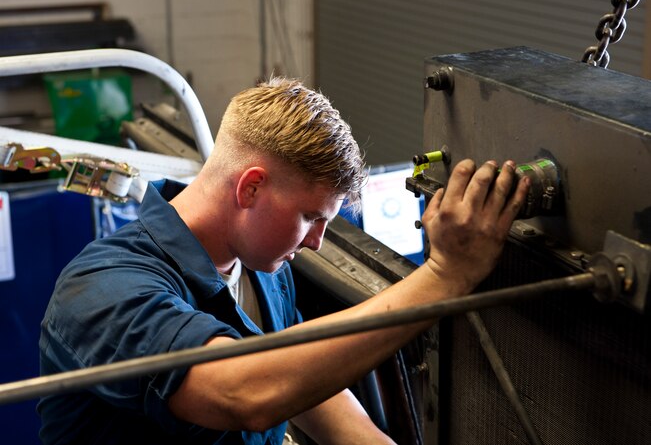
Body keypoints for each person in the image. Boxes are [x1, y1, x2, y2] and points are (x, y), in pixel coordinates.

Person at [38, 77, 529, 445]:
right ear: (250, 187)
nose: (316, 242)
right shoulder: (102, 287)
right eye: (310, 217)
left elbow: (301, 378)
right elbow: (244, 391)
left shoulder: (263, 266)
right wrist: (445, 276)